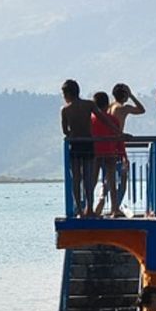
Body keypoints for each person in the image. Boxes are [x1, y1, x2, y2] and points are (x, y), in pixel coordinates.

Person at [60, 79, 99, 217]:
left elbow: (65, 131)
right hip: (88, 143)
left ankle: (79, 210)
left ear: (68, 94)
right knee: (88, 178)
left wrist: (72, 133)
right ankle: (90, 208)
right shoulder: (89, 105)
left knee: (76, 178)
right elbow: (102, 118)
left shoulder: (65, 110)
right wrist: (118, 132)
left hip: (75, 144)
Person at [108, 82, 146, 210]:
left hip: (108, 144)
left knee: (110, 179)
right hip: (118, 145)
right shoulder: (122, 108)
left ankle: (110, 206)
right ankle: (115, 207)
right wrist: (132, 96)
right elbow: (142, 110)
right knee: (123, 179)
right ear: (125, 96)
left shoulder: (110, 106)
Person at [90, 91, 124, 217]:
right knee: (111, 181)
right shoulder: (113, 119)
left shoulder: (91, 120)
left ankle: (88, 207)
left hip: (95, 153)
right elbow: (118, 136)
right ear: (107, 104)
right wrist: (121, 152)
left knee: (92, 181)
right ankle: (115, 208)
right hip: (110, 151)